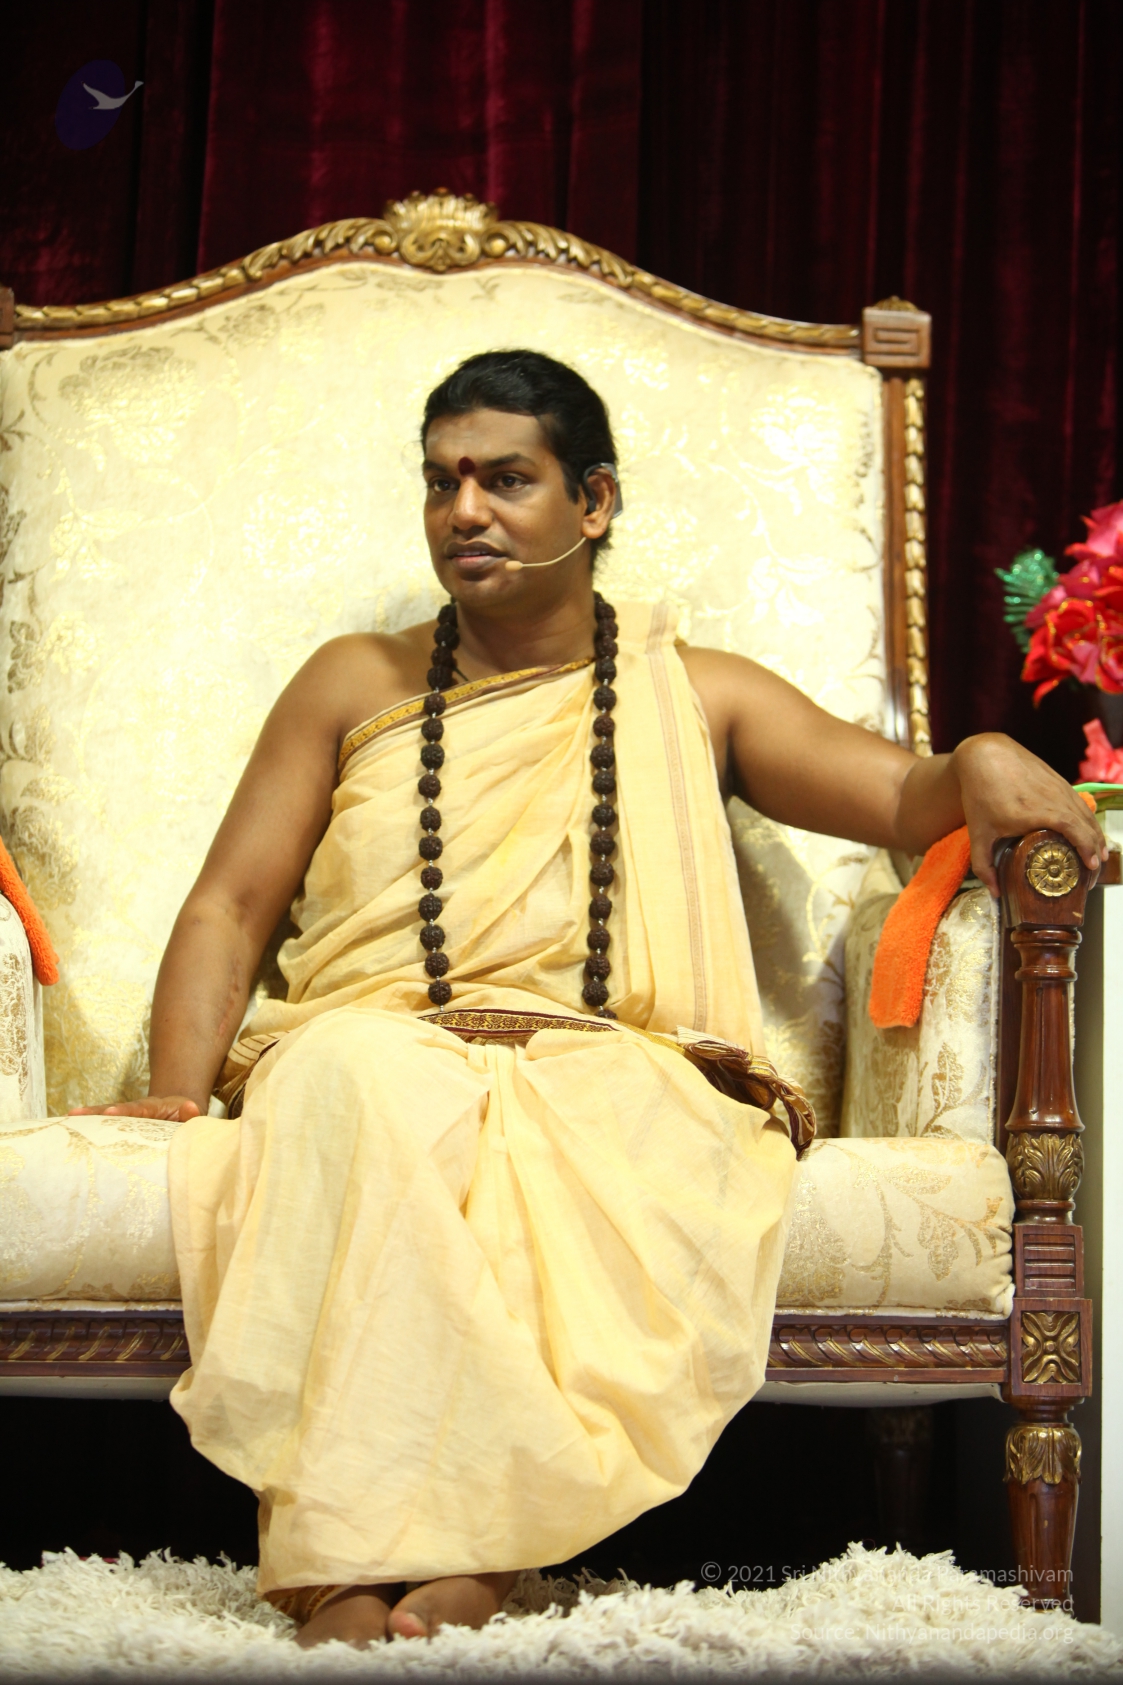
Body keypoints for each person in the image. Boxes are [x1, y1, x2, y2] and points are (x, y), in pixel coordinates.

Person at [74, 350, 1105, 1649]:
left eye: (507, 479)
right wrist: (178, 1092)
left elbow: (902, 795)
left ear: (594, 501)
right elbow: (228, 905)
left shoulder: (700, 691)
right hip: (378, 1046)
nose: (464, 510)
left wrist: (986, 754)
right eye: (442, 481)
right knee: (354, 1076)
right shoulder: (353, 682)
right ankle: (436, 1554)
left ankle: (387, 1563)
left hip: (606, 1065)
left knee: (594, 1110)